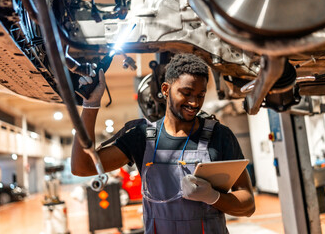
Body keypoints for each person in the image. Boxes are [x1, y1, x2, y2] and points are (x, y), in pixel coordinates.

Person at [72, 53, 255, 233]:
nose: (194, 102)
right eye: (186, 93)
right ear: (166, 89)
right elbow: (83, 167)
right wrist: (90, 106)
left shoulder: (219, 136)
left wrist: (213, 196)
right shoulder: (142, 137)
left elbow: (247, 204)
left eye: (200, 95)